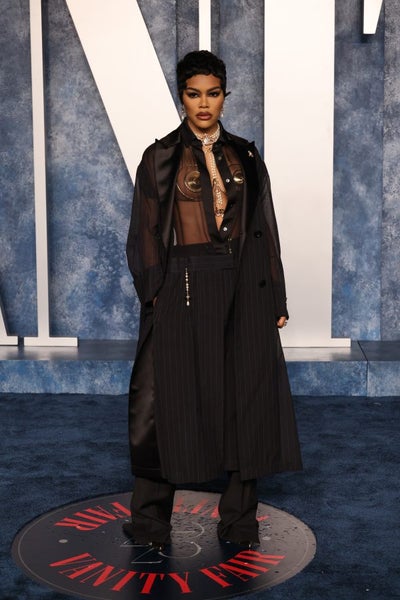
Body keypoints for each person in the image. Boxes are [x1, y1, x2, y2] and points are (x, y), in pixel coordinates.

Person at [124, 50, 302, 551]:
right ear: (182, 97)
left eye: (213, 93)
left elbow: (263, 228)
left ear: (225, 96)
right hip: (183, 286)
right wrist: (155, 295)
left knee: (247, 398)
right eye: (193, 94)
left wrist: (275, 295)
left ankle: (239, 521)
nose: (204, 104)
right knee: (170, 398)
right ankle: (151, 522)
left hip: (244, 285)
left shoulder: (246, 154)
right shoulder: (160, 156)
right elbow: (144, 232)